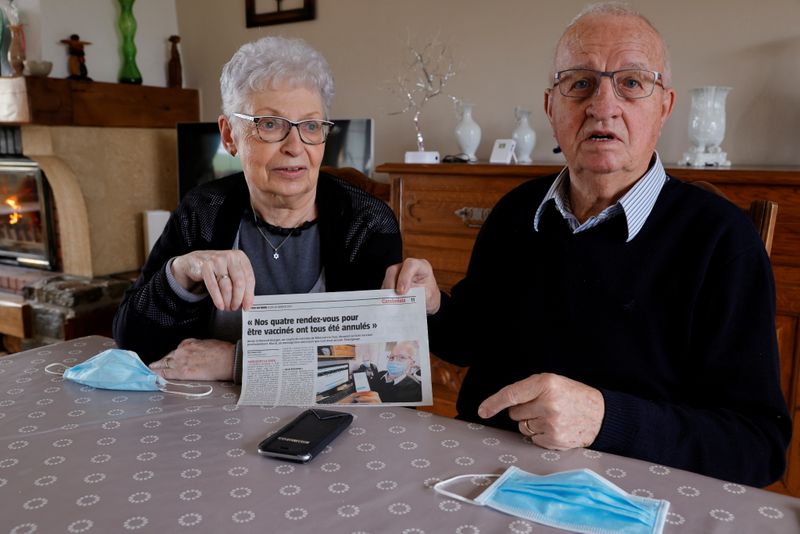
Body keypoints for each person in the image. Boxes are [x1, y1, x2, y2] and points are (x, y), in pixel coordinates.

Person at [384, 3, 791, 487]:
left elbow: (757, 447)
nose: (602, 105)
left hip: (625, 494)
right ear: (550, 106)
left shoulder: (722, 241)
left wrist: (605, 419)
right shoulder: (517, 210)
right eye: (579, 83)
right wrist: (432, 305)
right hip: (481, 477)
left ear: (665, 106)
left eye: (632, 83)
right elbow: (473, 338)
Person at [113, 36, 401, 383]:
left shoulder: (366, 222)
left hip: (332, 421)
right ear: (230, 135)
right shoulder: (203, 211)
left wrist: (239, 361)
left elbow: (387, 369)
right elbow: (132, 343)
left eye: (310, 126)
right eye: (269, 124)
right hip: (213, 416)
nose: (295, 147)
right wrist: (180, 273)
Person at [353, 341, 422, 403]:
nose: (394, 361)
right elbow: (369, 388)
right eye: (391, 357)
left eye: (402, 357)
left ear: (412, 363)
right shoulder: (380, 374)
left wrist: (379, 406)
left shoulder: (415, 389)